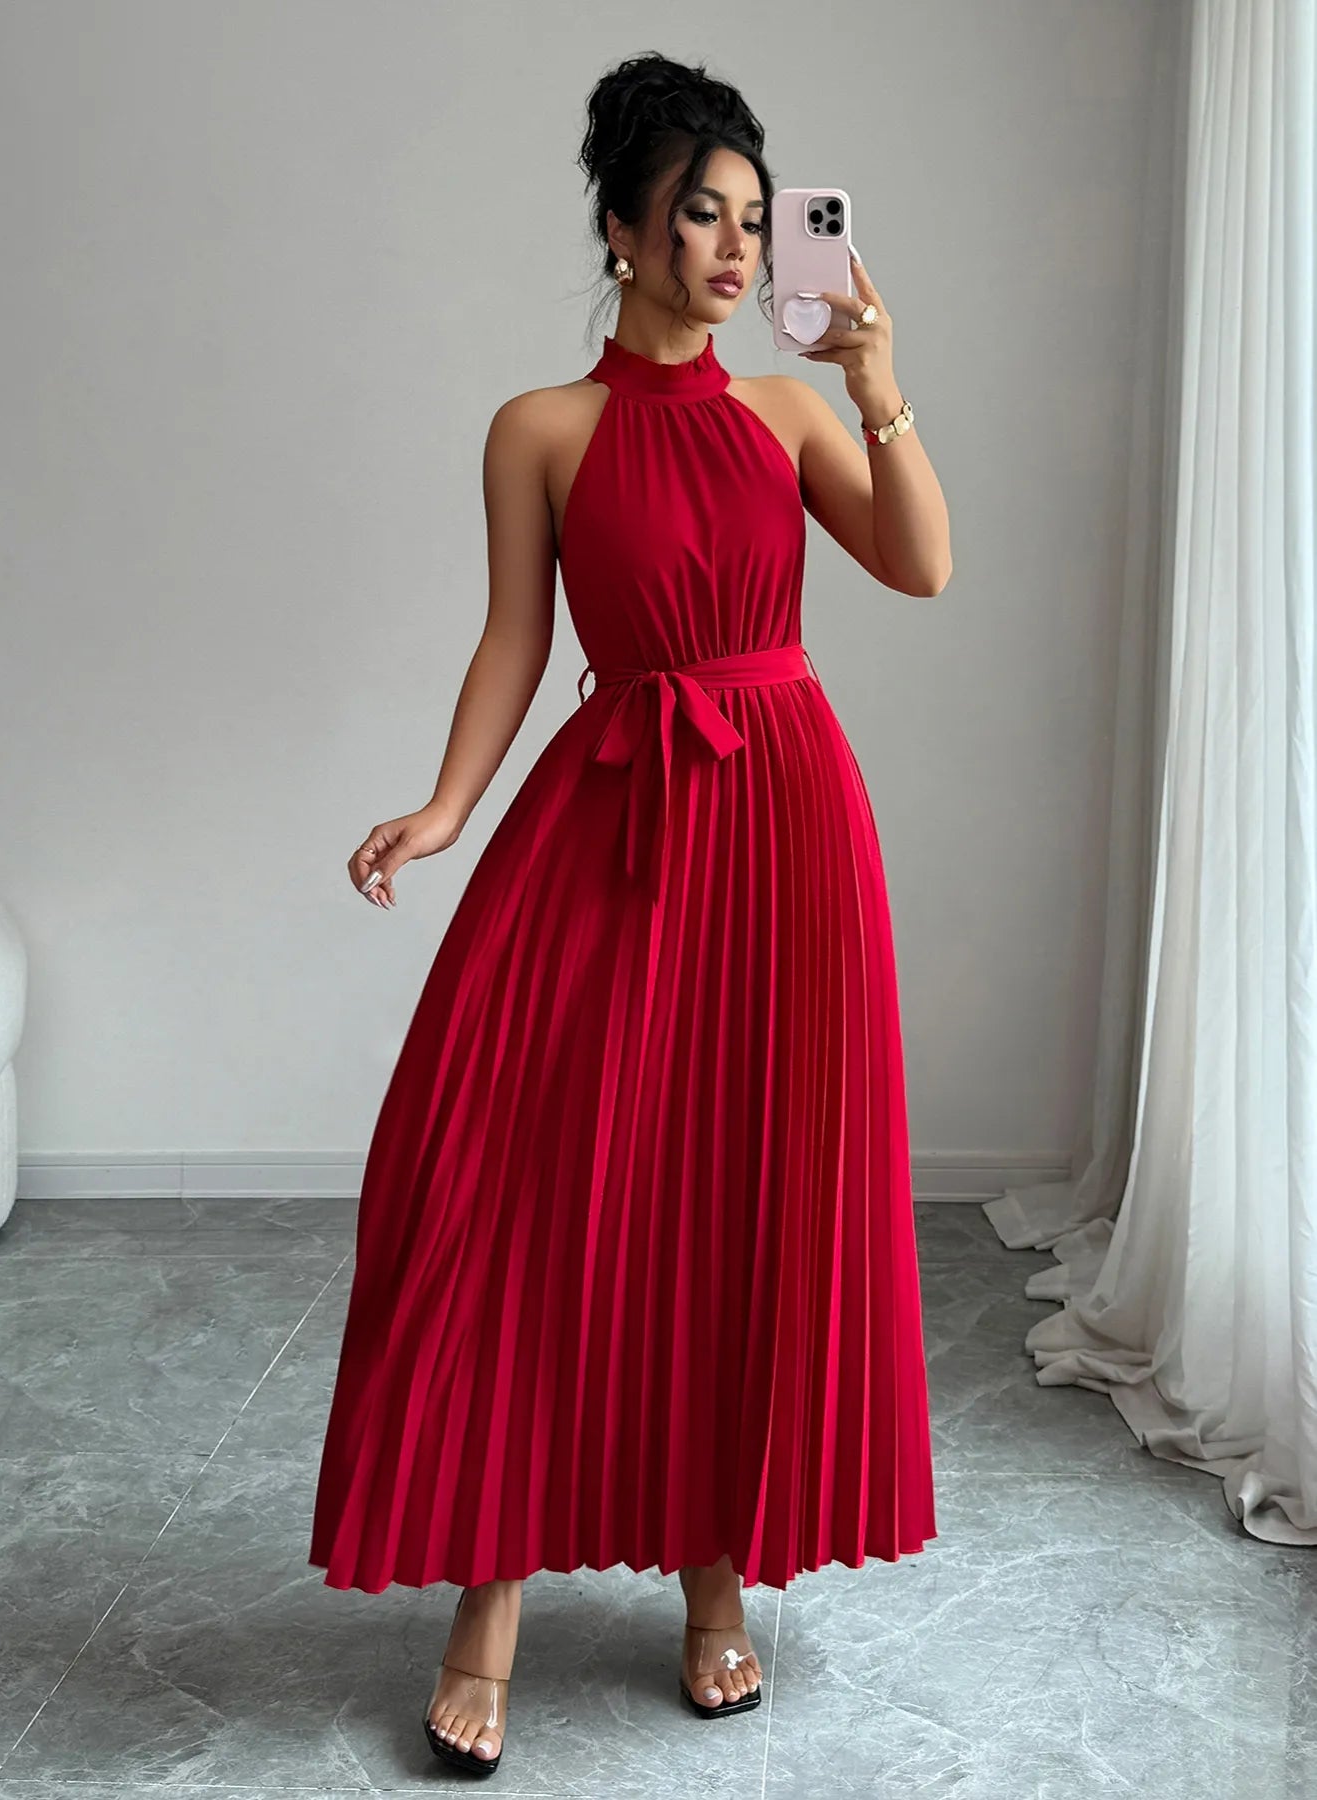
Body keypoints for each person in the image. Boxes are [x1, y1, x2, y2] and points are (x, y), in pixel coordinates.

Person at [308, 50, 950, 1779]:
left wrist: (878, 383)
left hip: (787, 820)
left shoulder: (792, 413)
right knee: (517, 1181)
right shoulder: (541, 426)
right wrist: (445, 807)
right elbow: (516, 640)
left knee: (737, 1186)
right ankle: (482, 1613)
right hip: (612, 804)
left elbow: (921, 564)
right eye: (700, 217)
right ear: (621, 228)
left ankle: (715, 1591)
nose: (736, 251)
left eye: (754, 220)